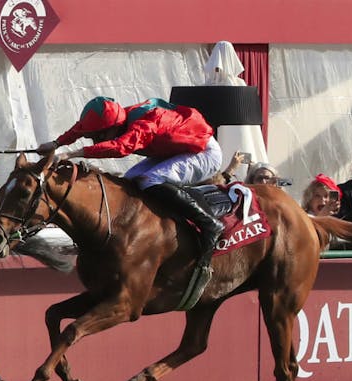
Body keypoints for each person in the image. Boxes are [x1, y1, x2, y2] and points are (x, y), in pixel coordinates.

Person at [37, 96, 223, 267]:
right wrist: (55, 144)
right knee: (128, 182)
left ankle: (209, 224)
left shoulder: (145, 123)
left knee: (150, 179)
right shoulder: (117, 119)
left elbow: (121, 147)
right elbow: (79, 129)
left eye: (99, 137)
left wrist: (72, 153)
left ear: (112, 127)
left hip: (203, 153)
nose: (95, 140)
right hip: (176, 151)